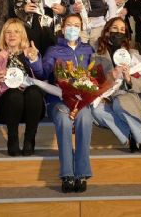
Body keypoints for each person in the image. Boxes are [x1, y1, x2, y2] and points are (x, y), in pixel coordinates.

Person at [42, 14, 96, 193]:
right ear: (63, 28)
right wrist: (35, 59)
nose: (73, 28)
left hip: (81, 101)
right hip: (58, 99)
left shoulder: (88, 50)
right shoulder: (53, 50)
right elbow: (44, 73)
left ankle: (81, 173)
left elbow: (95, 75)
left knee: (85, 119)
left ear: (81, 29)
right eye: (69, 25)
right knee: (65, 122)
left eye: (76, 25)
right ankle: (67, 174)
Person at [91, 17, 141, 152]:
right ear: (107, 32)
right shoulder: (96, 56)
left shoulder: (133, 54)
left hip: (128, 97)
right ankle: (138, 134)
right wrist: (110, 77)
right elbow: (94, 84)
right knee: (96, 110)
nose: (118, 32)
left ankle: (138, 135)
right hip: (108, 96)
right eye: (115, 28)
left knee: (119, 102)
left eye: (122, 29)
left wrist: (129, 79)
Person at [0, 19, 46, 156]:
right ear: (3, 36)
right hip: (8, 108)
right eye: (8, 32)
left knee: (33, 91)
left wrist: (34, 60)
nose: (12, 35)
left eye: (16, 32)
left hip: (31, 107)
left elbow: (41, 75)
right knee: (14, 94)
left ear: (22, 36)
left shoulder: (30, 53)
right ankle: (13, 140)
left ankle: (29, 140)